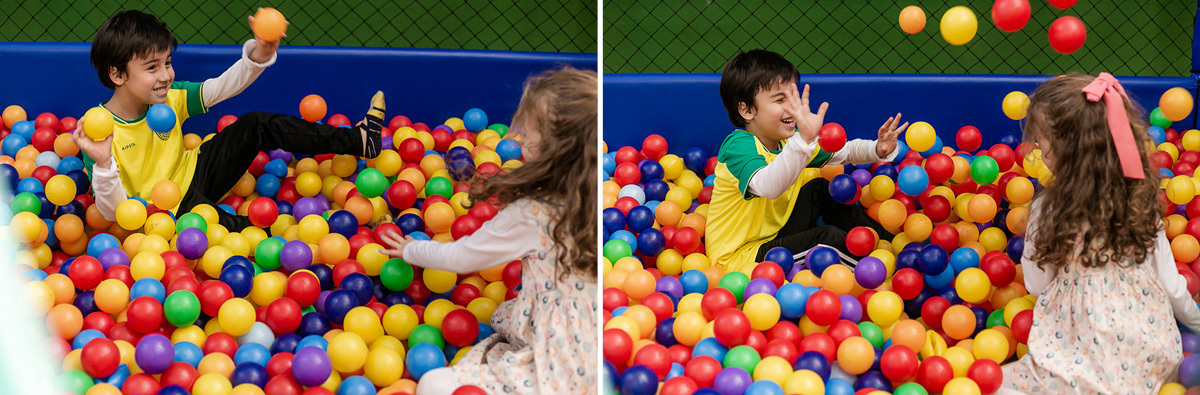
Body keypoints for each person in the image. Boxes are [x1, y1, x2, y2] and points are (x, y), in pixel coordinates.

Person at [377, 67, 597, 395]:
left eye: (530, 130)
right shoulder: (592, 195)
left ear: (553, 147)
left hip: (560, 357)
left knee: (433, 384)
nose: (520, 137)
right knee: (502, 312)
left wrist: (410, 250)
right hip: (591, 331)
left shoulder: (534, 213)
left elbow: (462, 256)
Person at [74, 10, 384, 231]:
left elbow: (223, 86)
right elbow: (114, 212)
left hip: (196, 170)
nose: (166, 75)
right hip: (168, 212)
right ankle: (309, 235)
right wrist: (103, 164)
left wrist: (258, 55)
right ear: (117, 74)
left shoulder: (172, 96)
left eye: (167, 62)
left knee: (255, 123)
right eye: (152, 67)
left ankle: (358, 140)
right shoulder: (99, 132)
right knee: (242, 232)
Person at [998, 73, 1200, 394]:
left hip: (1078, 349)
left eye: (1043, 143)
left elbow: (1037, 286)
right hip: (1149, 352)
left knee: (999, 384)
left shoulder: (1048, 206)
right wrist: (1196, 324)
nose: (1040, 152)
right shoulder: (1141, 197)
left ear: (1064, 149)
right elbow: (1172, 287)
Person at [706, 49, 907, 272]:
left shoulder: (787, 143)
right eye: (780, 99)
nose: (792, 108)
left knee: (821, 189)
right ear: (747, 109)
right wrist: (803, 142)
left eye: (794, 98)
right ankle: (885, 271)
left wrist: (877, 149)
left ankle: (891, 247)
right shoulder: (739, 146)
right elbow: (768, 186)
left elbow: (844, 152)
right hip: (740, 259)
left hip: (776, 233)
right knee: (827, 238)